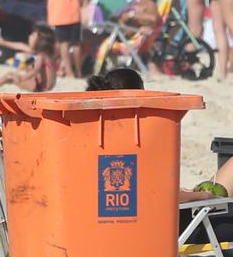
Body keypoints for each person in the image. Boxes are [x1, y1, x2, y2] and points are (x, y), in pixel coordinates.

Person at [84, 68, 233, 245]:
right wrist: (203, 197)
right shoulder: (132, 146)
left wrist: (186, 193)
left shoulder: (96, 141)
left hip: (146, 223)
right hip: (171, 227)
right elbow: (158, 196)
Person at [92, 0, 162, 74]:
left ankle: (84, 69)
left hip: (126, 39)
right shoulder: (136, 2)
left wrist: (131, 16)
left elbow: (154, 19)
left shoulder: (149, 4)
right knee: (87, 35)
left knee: (88, 38)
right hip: (119, 34)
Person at [0, 24, 56, 92]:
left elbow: (35, 71)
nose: (29, 37)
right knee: (12, 76)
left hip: (40, 88)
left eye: (33, 35)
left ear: (40, 41)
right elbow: (19, 46)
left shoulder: (40, 56)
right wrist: (3, 42)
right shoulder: (46, 54)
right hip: (44, 87)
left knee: (11, 75)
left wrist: (22, 78)